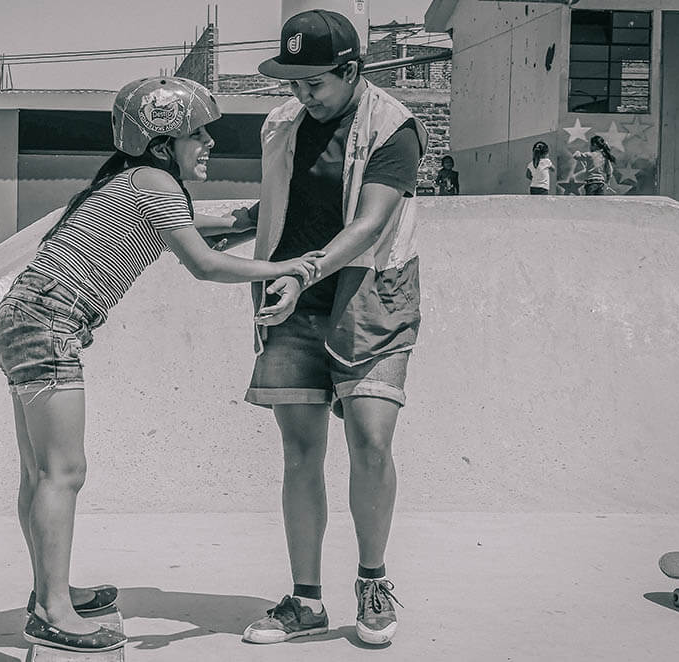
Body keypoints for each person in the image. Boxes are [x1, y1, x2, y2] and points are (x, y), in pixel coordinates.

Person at [0, 76, 323, 654]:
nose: (209, 145)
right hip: (49, 324)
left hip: (25, 316)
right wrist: (289, 266)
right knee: (63, 474)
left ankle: (50, 592)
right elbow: (203, 264)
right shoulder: (156, 180)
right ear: (165, 141)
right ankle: (53, 613)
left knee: (40, 473)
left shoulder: (134, 179)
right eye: (198, 134)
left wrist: (246, 221)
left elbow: (186, 232)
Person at [234, 9, 428, 647]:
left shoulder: (394, 127)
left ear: (351, 71)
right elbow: (285, 200)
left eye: (313, 82)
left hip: (370, 295)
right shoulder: (282, 124)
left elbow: (370, 224)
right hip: (290, 297)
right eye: (292, 82)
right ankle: (305, 600)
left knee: (371, 441)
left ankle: (372, 580)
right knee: (300, 453)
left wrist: (302, 274)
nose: (301, 94)